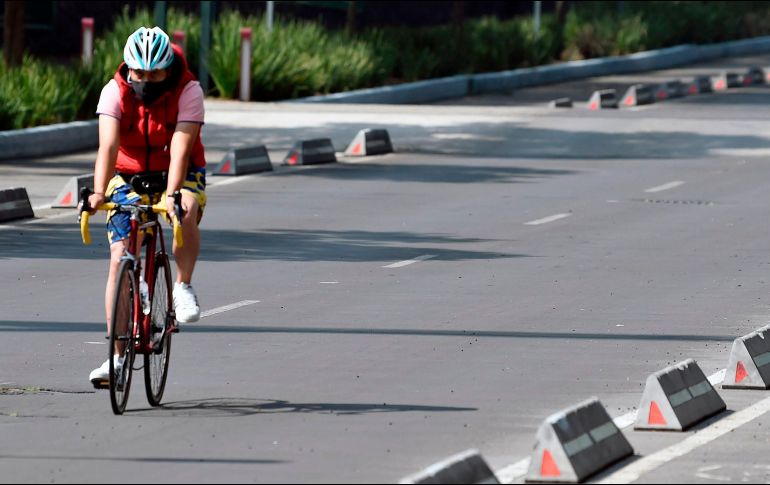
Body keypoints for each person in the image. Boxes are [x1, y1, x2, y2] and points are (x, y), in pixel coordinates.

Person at [87, 26, 207, 387]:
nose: (146, 80)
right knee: (119, 258)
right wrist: (96, 193)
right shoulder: (114, 91)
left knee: (183, 209)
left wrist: (171, 195)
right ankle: (117, 359)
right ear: (128, 68)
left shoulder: (189, 90)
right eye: (139, 73)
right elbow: (107, 147)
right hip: (129, 175)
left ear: (168, 69)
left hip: (180, 171)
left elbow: (182, 147)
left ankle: (183, 286)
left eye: (155, 74)